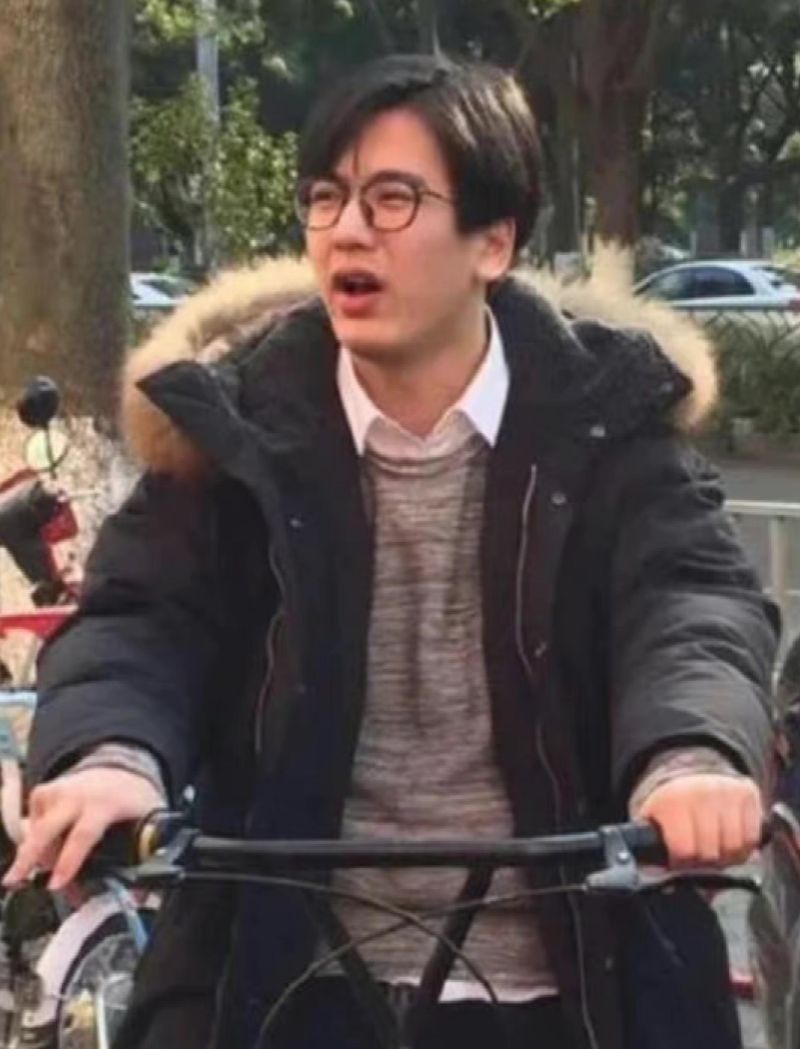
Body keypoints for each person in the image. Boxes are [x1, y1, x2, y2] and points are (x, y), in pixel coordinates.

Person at [7, 54, 777, 1049]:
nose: (346, 230)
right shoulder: (237, 432)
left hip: (578, 975)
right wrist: (110, 754)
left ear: (493, 240)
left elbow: (689, 606)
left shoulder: (610, 423)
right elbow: (140, 623)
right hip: (281, 973)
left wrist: (688, 755)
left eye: (392, 199)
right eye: (325, 198)